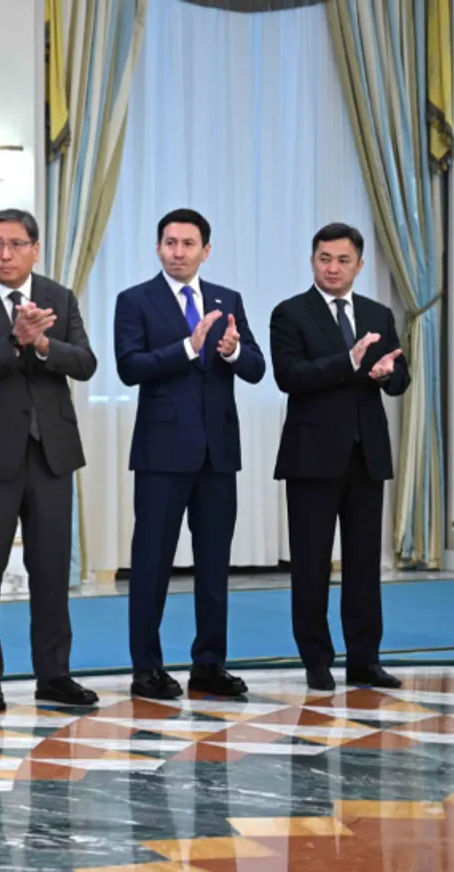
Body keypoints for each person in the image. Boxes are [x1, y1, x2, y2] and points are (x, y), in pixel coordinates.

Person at [0, 208, 99, 710]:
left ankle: (54, 674)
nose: (4, 254)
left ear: (35, 248)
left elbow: (86, 363)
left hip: (51, 453)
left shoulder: (59, 296)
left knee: (51, 570)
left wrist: (44, 343)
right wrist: (14, 340)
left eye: (15, 244)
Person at [113, 208, 265, 700]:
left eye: (188, 244)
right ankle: (146, 668)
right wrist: (186, 346)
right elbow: (129, 367)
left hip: (217, 455)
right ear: (158, 247)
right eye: (170, 243)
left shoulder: (227, 300)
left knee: (215, 565)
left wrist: (232, 351)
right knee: (151, 564)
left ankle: (209, 664)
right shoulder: (135, 300)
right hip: (161, 455)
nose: (178, 252)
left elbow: (256, 368)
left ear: (206, 250)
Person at [271, 223, 408, 692]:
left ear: (359, 265)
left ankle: (365, 660)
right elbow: (289, 375)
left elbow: (400, 378)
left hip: (366, 454)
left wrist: (387, 374)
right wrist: (348, 362)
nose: (333, 267)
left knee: (364, 564)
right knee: (311, 564)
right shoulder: (290, 313)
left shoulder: (377, 313)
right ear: (312, 261)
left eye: (342, 260)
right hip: (311, 457)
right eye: (324, 258)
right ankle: (316, 660)